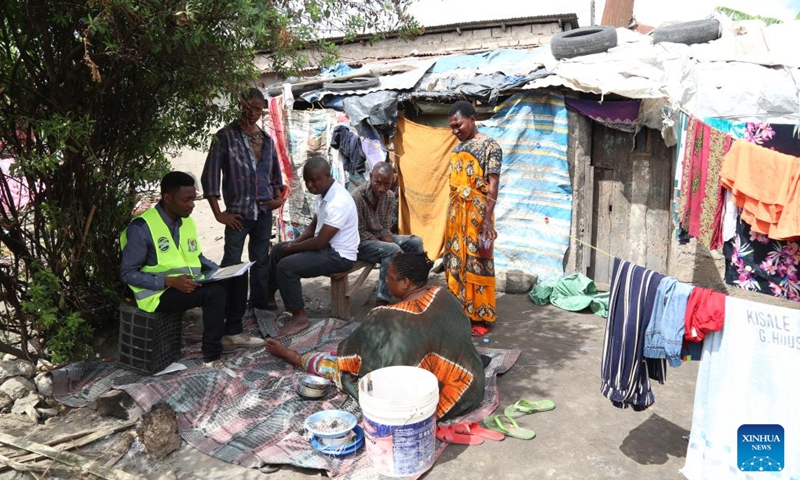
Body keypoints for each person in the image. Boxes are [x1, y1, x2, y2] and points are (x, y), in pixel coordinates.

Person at [265, 252, 485, 421]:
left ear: (405, 283)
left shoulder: (383, 316)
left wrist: (343, 355)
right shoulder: (443, 294)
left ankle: (291, 356)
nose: (386, 282)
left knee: (337, 366)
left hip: (426, 404)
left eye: (389, 278)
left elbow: (349, 356)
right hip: (470, 386)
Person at [120, 172, 263, 368]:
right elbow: (128, 273)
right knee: (214, 293)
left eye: (193, 199)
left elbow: (197, 257)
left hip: (186, 283)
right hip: (156, 293)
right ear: (167, 198)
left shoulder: (186, 221)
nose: (192, 205)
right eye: (186, 200)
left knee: (237, 274)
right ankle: (211, 358)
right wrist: (168, 281)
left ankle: (232, 334)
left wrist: (220, 272)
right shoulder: (142, 228)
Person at [201, 87, 285, 314]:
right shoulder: (225, 136)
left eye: (258, 109)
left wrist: (278, 199)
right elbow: (210, 175)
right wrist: (219, 214)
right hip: (237, 214)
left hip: (264, 212)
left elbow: (275, 175)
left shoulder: (267, 140)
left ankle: (257, 306)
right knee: (232, 262)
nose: (254, 113)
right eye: (250, 107)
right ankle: (229, 307)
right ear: (241, 105)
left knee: (260, 262)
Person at [265, 156, 359, 335]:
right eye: (306, 180)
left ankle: (299, 317)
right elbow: (312, 228)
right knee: (278, 250)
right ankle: (269, 297)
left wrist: (293, 248)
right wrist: (293, 243)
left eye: (313, 180)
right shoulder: (323, 194)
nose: (309, 185)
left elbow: (320, 242)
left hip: (339, 255)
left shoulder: (339, 201)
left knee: (286, 267)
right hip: (325, 247)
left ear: (328, 175)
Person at [444, 100, 502, 337]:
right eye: (452, 127)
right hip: (456, 216)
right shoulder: (456, 150)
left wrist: (487, 219)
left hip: (479, 215)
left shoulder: (490, 146)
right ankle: (459, 313)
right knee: (455, 262)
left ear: (472, 118)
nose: (455, 130)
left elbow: (493, 185)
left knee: (478, 261)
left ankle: (481, 316)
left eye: (458, 125)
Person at [351, 161, 424, 306]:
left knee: (416, 242)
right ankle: (382, 299)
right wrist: (391, 246)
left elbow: (385, 228)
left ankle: (413, 287)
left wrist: (389, 241)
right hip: (360, 244)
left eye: (387, 184)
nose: (382, 188)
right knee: (392, 250)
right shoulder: (356, 197)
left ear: (392, 181)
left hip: (379, 239)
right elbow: (358, 232)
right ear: (371, 176)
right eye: (378, 182)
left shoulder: (390, 196)